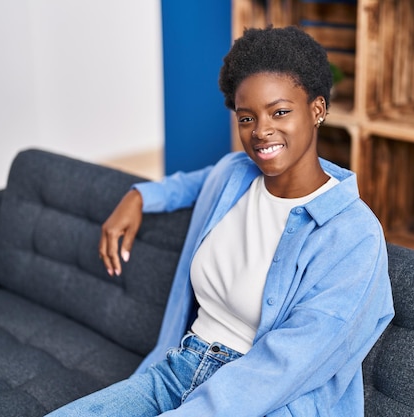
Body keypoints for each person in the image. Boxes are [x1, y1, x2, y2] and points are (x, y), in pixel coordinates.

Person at [47, 26, 394, 417]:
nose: (261, 132)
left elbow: (287, 366)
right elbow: (190, 185)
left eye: (280, 112)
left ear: (317, 110)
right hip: (175, 372)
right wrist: (139, 195)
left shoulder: (353, 235)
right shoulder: (235, 175)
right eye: (247, 118)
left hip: (264, 402)